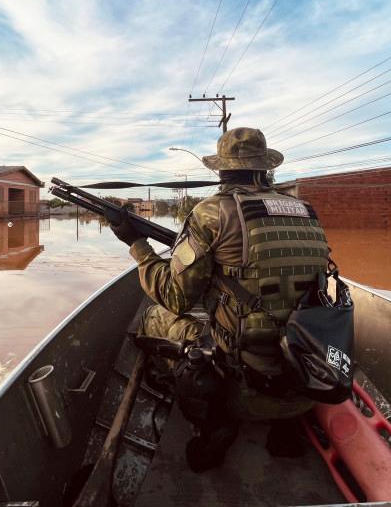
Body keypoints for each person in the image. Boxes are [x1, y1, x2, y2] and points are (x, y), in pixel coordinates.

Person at [109, 127, 331, 471]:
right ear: (265, 169)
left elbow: (175, 298)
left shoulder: (212, 212)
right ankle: (285, 429)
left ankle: (213, 421)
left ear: (221, 171)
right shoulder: (306, 211)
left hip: (244, 391)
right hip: (309, 379)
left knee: (154, 316)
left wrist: (136, 244)